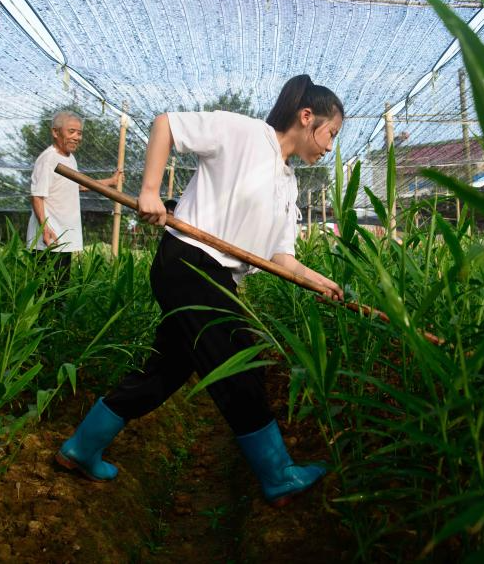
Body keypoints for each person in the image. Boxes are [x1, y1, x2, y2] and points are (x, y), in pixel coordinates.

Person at [56, 75, 344, 507]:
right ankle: (278, 474)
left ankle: (81, 448)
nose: (329, 146)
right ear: (307, 118)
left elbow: (280, 256)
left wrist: (318, 281)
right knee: (239, 367)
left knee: (164, 373)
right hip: (189, 263)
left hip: (220, 278)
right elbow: (165, 124)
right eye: (331, 134)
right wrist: (150, 192)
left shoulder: (289, 185)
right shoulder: (246, 134)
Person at [26, 110, 120, 285]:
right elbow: (37, 195)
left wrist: (111, 181)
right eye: (72, 132)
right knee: (45, 292)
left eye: (80, 133)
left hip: (64, 237)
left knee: (60, 290)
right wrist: (45, 229)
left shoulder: (70, 159)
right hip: (49, 239)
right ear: (55, 132)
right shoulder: (48, 159)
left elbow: (79, 185)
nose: (77, 137)